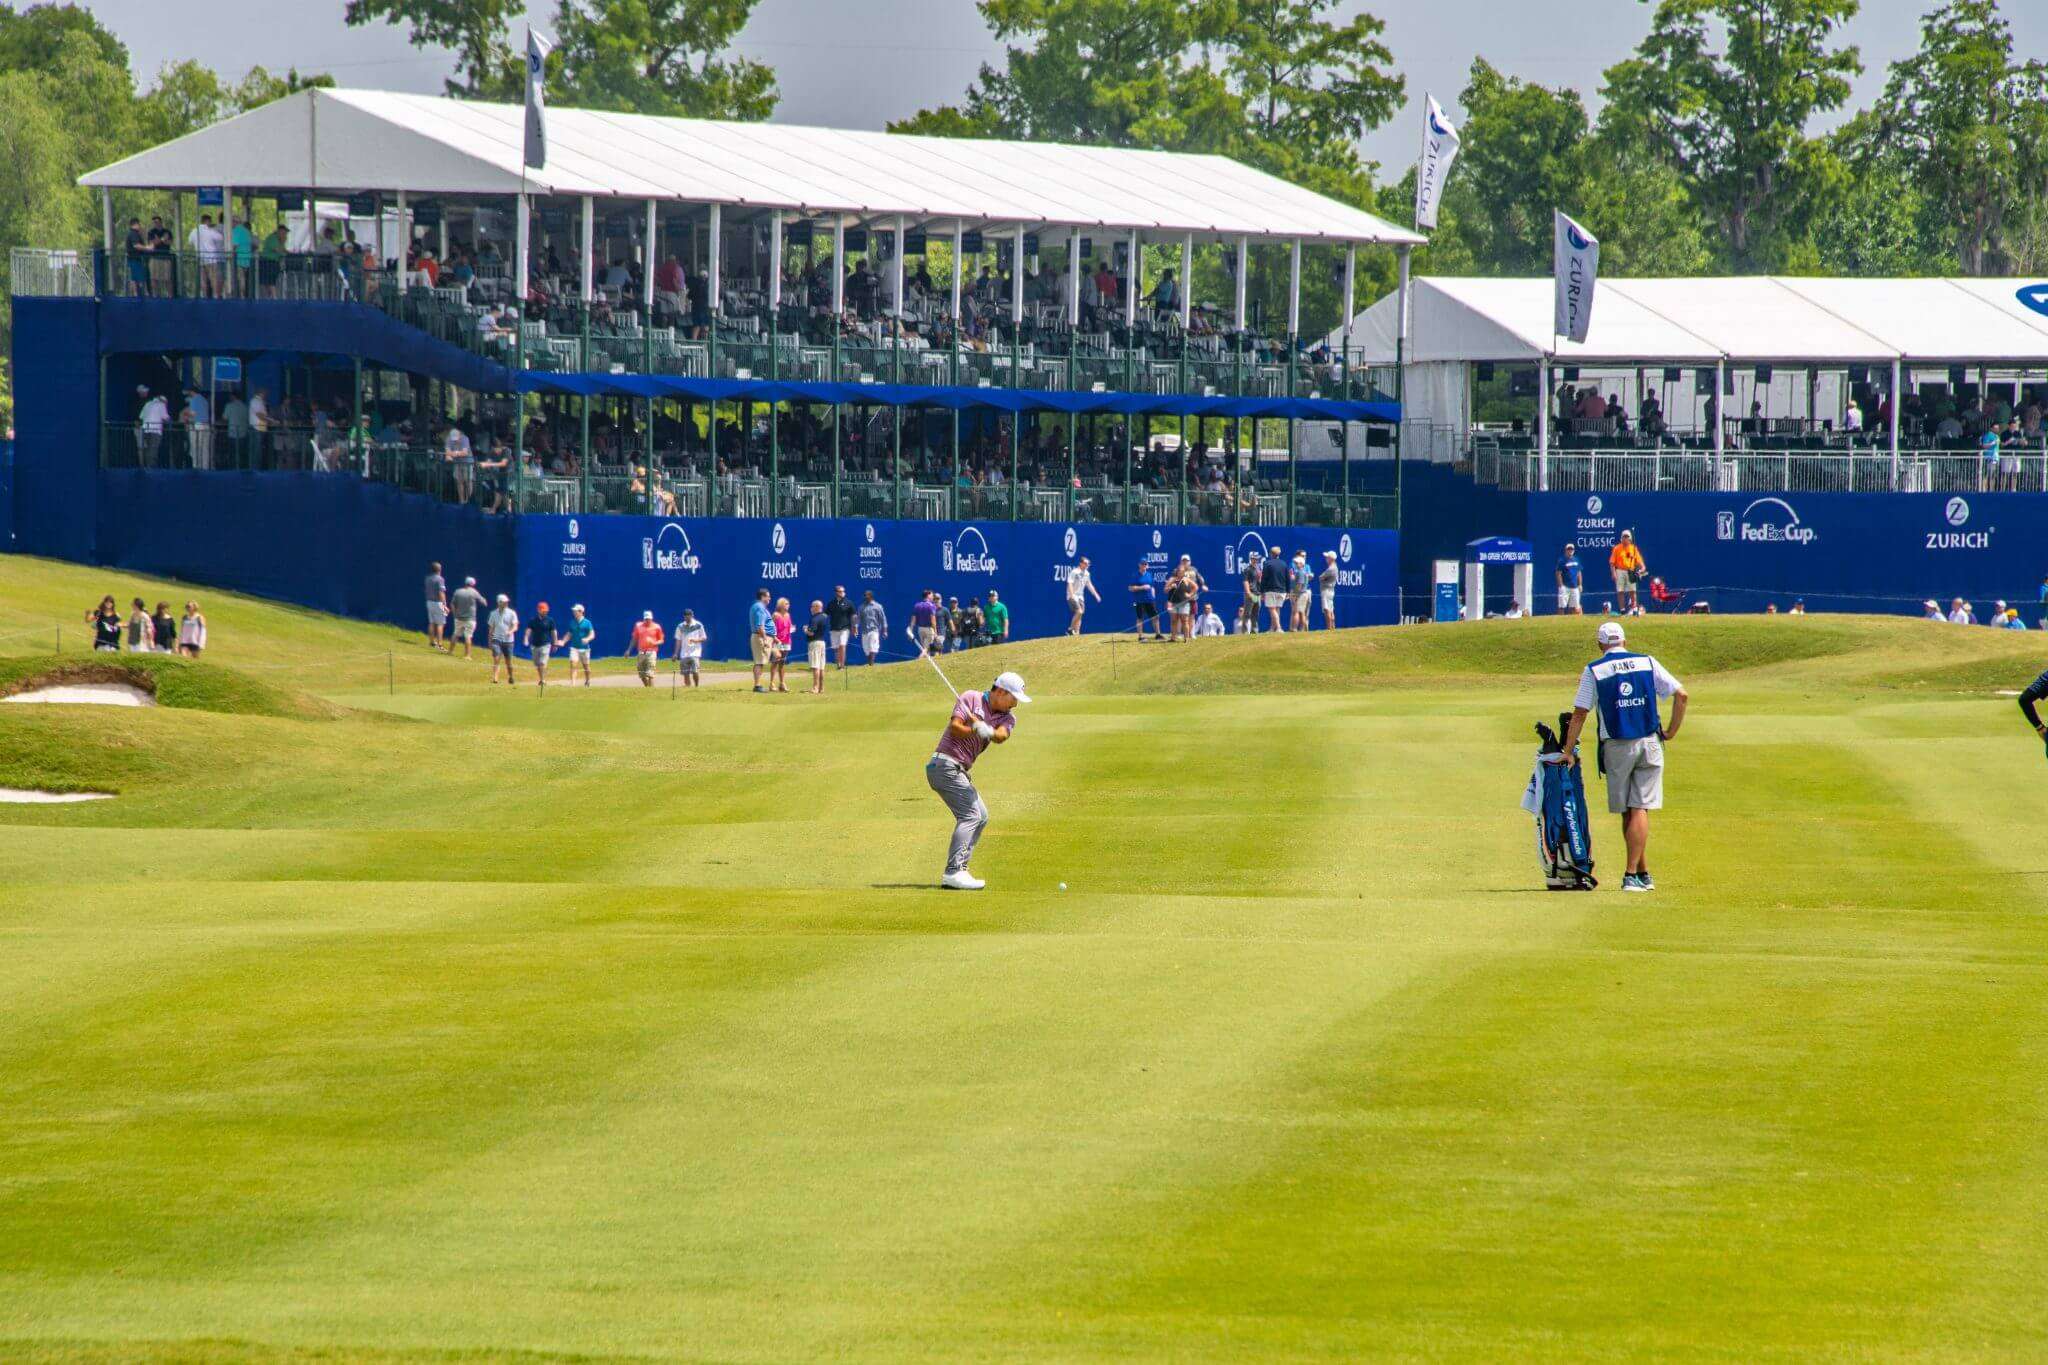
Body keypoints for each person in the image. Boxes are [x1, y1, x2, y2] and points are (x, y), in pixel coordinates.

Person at [1559, 621, 1688, 893]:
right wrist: (1671, 731)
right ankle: (1643, 873)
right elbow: (1681, 694)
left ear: (1600, 645)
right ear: (1625, 642)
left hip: (1618, 745)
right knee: (1637, 808)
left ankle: (1631, 875)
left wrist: (1568, 751)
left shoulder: (1595, 669)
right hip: (1651, 742)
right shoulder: (1647, 662)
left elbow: (1580, 712)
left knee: (1633, 809)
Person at [925, 669, 1031, 890]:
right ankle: (953, 872)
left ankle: (960, 869)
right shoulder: (970, 698)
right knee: (971, 815)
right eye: (1013, 698)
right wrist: (975, 728)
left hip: (958, 769)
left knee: (981, 816)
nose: (1015, 705)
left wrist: (987, 730)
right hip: (944, 765)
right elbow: (955, 729)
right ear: (1001, 692)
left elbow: (1001, 736)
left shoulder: (1007, 717)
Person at [486, 594, 520, 685]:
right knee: (496, 658)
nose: (506, 603)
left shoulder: (512, 613)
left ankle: (511, 676)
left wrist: (510, 631)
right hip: (496, 639)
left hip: (508, 641)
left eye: (507, 602)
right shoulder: (493, 614)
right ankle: (495, 678)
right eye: (504, 602)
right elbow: (491, 628)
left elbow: (515, 626)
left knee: (508, 661)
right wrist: (489, 640)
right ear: (499, 603)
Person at [1609, 531, 1645, 614]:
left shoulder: (1634, 548)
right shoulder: (1617, 548)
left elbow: (1639, 561)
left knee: (1632, 591)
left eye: (1627, 537)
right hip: (1620, 571)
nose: (1625, 539)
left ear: (1630, 538)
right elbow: (1612, 563)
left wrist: (1642, 568)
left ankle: (1634, 609)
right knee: (1620, 591)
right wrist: (1613, 573)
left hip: (1631, 570)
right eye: (1624, 537)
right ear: (1621, 538)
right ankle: (1622, 610)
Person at [448, 576, 485, 658]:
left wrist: (455, 614)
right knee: (468, 636)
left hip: (458, 618)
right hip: (470, 618)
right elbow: (483, 602)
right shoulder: (474, 592)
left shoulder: (458, 591)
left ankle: (450, 651)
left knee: (455, 634)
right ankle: (467, 655)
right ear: (473, 584)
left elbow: (452, 604)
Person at [561, 604, 597, 685]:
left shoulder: (587, 623)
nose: (574, 612)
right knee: (573, 664)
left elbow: (592, 634)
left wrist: (587, 639)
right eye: (573, 611)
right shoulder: (572, 622)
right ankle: (573, 684)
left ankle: (588, 680)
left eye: (575, 611)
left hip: (585, 649)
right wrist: (563, 641)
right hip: (574, 648)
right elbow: (569, 634)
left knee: (586, 666)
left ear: (581, 612)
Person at [1260, 544, 1292, 633]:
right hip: (1282, 590)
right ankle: (1272, 628)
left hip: (1271, 590)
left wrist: (1262, 591)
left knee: (1272, 609)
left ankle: (1278, 628)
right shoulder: (1284, 564)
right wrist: (1288, 591)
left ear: (1271, 554)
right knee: (1277, 609)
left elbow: (1264, 578)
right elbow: (1288, 578)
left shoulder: (1267, 563)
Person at [525, 600, 556, 688]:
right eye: (543, 610)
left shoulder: (550, 620)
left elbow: (554, 632)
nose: (545, 612)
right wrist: (526, 639)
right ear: (538, 610)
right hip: (535, 645)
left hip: (546, 645)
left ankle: (543, 680)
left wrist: (555, 643)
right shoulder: (533, 620)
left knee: (542, 662)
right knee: (537, 664)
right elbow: (528, 630)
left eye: (546, 611)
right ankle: (541, 678)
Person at [629, 610, 665, 687]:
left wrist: (654, 643)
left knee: (650, 673)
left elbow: (661, 640)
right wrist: (629, 650)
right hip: (641, 652)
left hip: (651, 652)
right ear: (644, 619)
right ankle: (647, 688)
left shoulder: (657, 627)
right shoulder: (638, 626)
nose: (647, 620)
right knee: (641, 673)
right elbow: (634, 639)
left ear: (651, 618)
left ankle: (650, 690)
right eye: (646, 619)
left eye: (649, 619)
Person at [1130, 559, 1164, 640]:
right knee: (1140, 618)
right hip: (1139, 601)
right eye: (1142, 564)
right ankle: (1140, 636)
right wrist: (1142, 587)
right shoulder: (1135, 575)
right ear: (1139, 565)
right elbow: (1130, 588)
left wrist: (1153, 596)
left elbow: (1152, 586)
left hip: (1150, 600)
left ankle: (1158, 635)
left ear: (1147, 566)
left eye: (1145, 564)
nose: (1144, 566)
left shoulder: (1149, 575)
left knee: (1155, 617)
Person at [748, 587, 774, 692]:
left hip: (759, 636)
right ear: (763, 597)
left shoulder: (757, 606)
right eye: (768, 596)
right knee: (759, 662)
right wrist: (765, 640)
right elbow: (760, 626)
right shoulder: (760, 607)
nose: (770, 599)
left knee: (760, 662)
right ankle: (757, 685)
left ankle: (758, 684)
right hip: (760, 637)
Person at [1065, 556, 1099, 634]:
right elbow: (1069, 583)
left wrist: (1096, 595)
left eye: (1088, 564)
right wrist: (1072, 595)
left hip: (1081, 596)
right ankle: (1070, 629)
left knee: (1080, 615)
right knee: (1079, 612)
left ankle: (1077, 633)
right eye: (1086, 563)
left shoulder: (1087, 573)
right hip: (1072, 596)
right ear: (1081, 564)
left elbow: (1089, 585)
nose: (1087, 565)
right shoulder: (1074, 572)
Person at [825, 585, 857, 669]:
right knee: (836, 648)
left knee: (842, 645)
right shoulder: (831, 603)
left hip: (845, 629)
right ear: (836, 593)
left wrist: (855, 627)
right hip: (833, 629)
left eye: (843, 591)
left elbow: (854, 616)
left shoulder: (849, 602)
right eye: (840, 591)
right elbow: (825, 614)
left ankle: (842, 666)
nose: (843, 593)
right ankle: (838, 664)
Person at [675, 609, 708, 687]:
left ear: (692, 616)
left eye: (689, 616)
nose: (687, 617)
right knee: (685, 673)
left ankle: (696, 686)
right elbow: (678, 640)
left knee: (695, 671)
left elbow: (704, 637)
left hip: (695, 652)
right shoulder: (680, 626)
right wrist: (676, 653)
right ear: (684, 616)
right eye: (686, 616)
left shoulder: (698, 625)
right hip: (684, 653)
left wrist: (696, 640)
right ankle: (688, 687)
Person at [806, 599, 830, 694]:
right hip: (822, 642)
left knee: (815, 666)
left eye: (812, 606)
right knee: (821, 667)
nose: (811, 608)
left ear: (817, 607)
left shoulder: (815, 618)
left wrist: (805, 630)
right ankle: (821, 688)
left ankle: (815, 688)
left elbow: (811, 633)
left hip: (815, 643)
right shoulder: (824, 617)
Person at [770, 597, 794, 692]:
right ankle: (771, 683)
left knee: (782, 663)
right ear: (781, 605)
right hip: (777, 642)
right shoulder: (775, 615)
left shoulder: (788, 615)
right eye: (786, 604)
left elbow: (789, 627)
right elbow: (770, 629)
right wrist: (775, 639)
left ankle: (782, 684)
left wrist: (792, 628)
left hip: (787, 642)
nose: (788, 605)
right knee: (775, 662)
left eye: (788, 604)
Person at [423, 561, 449, 650]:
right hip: (438, 602)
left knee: (431, 622)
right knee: (440, 624)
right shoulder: (440, 579)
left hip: (429, 602)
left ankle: (431, 642)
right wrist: (445, 605)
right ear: (439, 569)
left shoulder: (427, 578)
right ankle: (440, 645)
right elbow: (441, 592)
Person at [858, 590, 888, 664]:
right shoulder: (861, 607)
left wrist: (885, 631)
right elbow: (858, 618)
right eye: (865, 596)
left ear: (871, 597)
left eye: (867, 596)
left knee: (873, 647)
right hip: (864, 631)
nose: (865, 597)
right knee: (866, 649)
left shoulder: (878, 606)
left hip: (874, 630)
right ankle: (870, 663)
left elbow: (883, 618)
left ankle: (871, 663)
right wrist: (855, 628)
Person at [1556, 542, 1585, 615]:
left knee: (1574, 606)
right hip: (1565, 586)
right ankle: (1561, 620)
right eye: (1569, 549)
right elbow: (1558, 573)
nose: (1570, 550)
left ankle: (1572, 620)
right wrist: (1561, 586)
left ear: (1574, 550)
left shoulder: (1576, 560)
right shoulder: (1562, 561)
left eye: (1572, 549)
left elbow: (1579, 573)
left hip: (1574, 587)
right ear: (1566, 550)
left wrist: (1580, 584)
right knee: (1562, 606)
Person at [911, 590, 940, 655]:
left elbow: (913, 619)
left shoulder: (917, 605)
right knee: (925, 649)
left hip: (920, 629)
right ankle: (918, 661)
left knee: (924, 648)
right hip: (929, 629)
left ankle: (925, 663)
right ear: (928, 595)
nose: (933, 597)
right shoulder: (931, 606)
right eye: (932, 595)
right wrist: (935, 633)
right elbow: (933, 620)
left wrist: (911, 630)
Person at [1289, 551, 1312, 632]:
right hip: (1302, 593)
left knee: (1297, 612)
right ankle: (1303, 629)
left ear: (1301, 564)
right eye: (1295, 563)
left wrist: (1296, 595)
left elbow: (1299, 585)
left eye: (1297, 563)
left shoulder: (1300, 572)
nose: (1295, 564)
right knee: (1301, 612)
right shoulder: (1302, 572)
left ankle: (1295, 628)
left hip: (1301, 594)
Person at [1318, 551, 1339, 630]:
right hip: (1330, 590)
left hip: (1326, 591)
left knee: (1327, 610)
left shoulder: (1331, 568)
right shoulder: (1335, 567)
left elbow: (1320, 577)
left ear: (1331, 559)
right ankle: (1332, 627)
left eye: (1327, 557)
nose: (1326, 559)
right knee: (1331, 609)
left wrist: (1322, 578)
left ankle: (1329, 628)